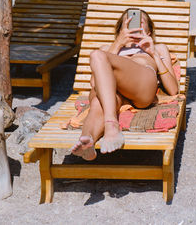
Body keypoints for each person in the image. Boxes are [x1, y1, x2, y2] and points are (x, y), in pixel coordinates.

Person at [71, 8, 179, 161]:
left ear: (148, 31)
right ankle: (87, 141)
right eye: (128, 22)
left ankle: (111, 125)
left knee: (97, 55)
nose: (135, 24)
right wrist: (117, 44)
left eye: (141, 22)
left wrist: (153, 53)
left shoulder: (158, 48)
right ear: (121, 29)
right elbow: (95, 84)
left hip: (141, 87)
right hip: (113, 93)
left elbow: (173, 89)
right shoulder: (107, 50)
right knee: (97, 102)